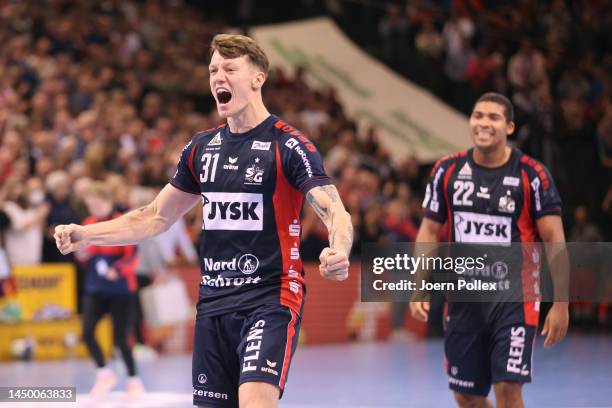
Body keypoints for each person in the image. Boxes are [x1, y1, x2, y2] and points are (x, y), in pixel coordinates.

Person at [55, 34, 353, 408]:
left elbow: (333, 208)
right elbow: (155, 216)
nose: (218, 77)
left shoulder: (288, 146)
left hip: (270, 300)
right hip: (213, 306)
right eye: (213, 70)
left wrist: (339, 248)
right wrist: (86, 234)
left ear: (258, 78)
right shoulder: (201, 149)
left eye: (230, 68)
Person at [411, 92, 569, 408]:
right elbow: (428, 231)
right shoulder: (447, 170)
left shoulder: (532, 175)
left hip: (515, 300)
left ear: (509, 127)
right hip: (464, 301)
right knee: (466, 396)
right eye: (478, 115)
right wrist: (419, 287)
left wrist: (561, 304)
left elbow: (555, 241)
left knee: (508, 389)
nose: (484, 123)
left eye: (493, 117)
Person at [76, 182, 143, 397]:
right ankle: (104, 373)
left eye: (97, 205)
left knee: (121, 339)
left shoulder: (121, 222)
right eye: (91, 206)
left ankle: (133, 380)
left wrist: (118, 269)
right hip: (96, 286)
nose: (94, 209)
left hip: (121, 289)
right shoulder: (87, 224)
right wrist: (82, 255)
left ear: (108, 202)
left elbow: (132, 255)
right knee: (86, 333)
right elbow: (84, 255)